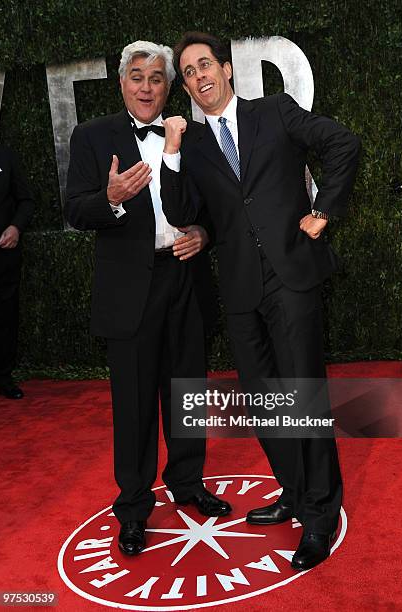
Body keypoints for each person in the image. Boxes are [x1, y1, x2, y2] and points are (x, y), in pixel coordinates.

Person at [161, 31, 361, 571]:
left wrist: (323, 213)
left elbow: (343, 143)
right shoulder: (195, 146)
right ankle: (295, 493)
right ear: (186, 87)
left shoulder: (274, 111)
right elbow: (183, 210)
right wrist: (173, 151)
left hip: (292, 276)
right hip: (243, 289)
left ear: (226, 69)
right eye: (189, 72)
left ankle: (320, 515)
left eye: (206, 65)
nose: (199, 76)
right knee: (267, 403)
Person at [65, 40, 231, 557]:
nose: (146, 87)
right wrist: (110, 200)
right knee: (133, 407)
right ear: (122, 84)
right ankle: (134, 508)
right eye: (137, 77)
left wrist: (203, 233)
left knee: (185, 394)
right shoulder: (93, 137)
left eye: (156, 78)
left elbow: (216, 207)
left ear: (168, 87)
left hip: (183, 278)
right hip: (129, 289)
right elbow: (74, 209)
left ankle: (188, 484)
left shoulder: (191, 136)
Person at [0, 143, 34, 399]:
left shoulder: (5, 155)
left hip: (2, 259)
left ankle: (2, 377)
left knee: (4, 319)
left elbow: (26, 199)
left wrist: (16, 227)